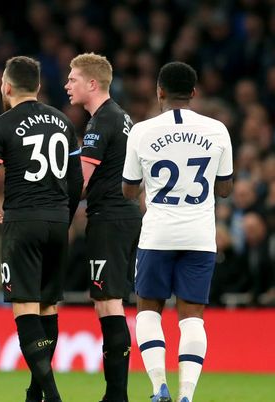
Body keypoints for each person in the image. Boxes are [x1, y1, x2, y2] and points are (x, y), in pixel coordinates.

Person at [122, 61, 234, 402]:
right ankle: (187, 394)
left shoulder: (142, 131)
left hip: (157, 234)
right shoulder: (217, 130)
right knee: (192, 318)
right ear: (194, 93)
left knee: (148, 310)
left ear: (159, 91)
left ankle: (159, 388)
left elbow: (128, 189)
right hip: (200, 236)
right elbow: (226, 189)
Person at [0, 56, 83, 402]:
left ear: (6, 87)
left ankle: (51, 395)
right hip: (57, 221)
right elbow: (77, 181)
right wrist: (62, 214)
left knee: (25, 307)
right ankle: (35, 394)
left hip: (22, 222)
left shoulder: (1, 125)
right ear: (37, 87)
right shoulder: (64, 122)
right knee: (49, 306)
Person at [64, 53, 141, 402]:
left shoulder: (100, 122)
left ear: (92, 84)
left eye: (73, 78)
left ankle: (117, 396)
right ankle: (115, 395)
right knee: (107, 302)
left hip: (109, 218)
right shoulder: (122, 117)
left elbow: (82, 180)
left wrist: (53, 210)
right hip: (123, 215)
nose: (67, 84)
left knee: (109, 303)